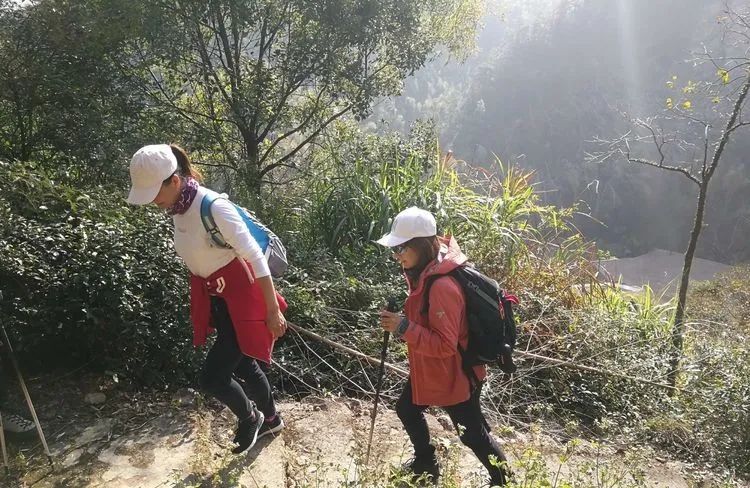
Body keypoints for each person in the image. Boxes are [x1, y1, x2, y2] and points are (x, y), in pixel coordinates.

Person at [126, 144, 287, 454]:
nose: (153, 202)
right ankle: (271, 419)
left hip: (244, 301)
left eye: (154, 194)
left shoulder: (212, 207)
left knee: (212, 377)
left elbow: (255, 257)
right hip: (221, 298)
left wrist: (271, 311)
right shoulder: (178, 207)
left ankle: (250, 417)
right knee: (247, 365)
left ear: (174, 181)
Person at [377, 207, 510, 486]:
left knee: (472, 434)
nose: (396, 255)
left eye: (401, 248)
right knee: (407, 408)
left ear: (422, 246)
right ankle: (426, 463)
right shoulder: (426, 268)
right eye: (394, 249)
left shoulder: (442, 286)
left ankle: (504, 480)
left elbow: (445, 345)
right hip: (429, 368)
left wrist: (403, 327)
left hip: (454, 374)